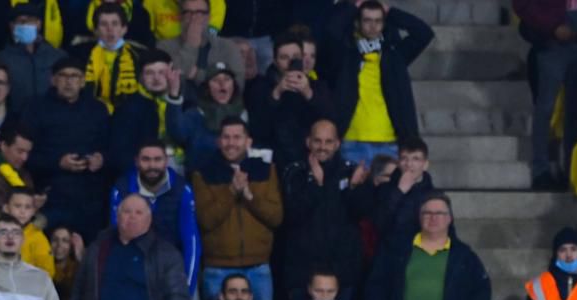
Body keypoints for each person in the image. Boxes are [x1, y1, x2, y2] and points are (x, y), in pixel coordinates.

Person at [191, 116, 283, 300]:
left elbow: (275, 217)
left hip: (259, 268)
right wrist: (232, 192)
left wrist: (249, 196)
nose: (231, 143)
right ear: (218, 140)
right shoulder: (203, 173)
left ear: (248, 141)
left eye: (237, 137)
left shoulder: (266, 170)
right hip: (217, 269)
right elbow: (205, 220)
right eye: (226, 137)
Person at [326, 0, 434, 166]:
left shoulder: (394, 55)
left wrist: (390, 11)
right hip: (351, 141)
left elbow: (423, 33)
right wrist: (355, 6)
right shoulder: (346, 54)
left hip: (389, 143)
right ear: (357, 22)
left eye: (378, 21)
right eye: (367, 20)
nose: (372, 26)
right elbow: (331, 32)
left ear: (384, 23)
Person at [513, 0, 577, 189]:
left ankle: (571, 171)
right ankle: (541, 171)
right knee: (545, 110)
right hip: (551, 46)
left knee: (575, 113)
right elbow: (522, 5)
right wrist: (553, 26)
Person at [22, 56, 109, 243]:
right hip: (51, 195)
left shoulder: (98, 109)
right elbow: (26, 156)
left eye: (75, 76)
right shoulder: (35, 109)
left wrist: (101, 159)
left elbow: (110, 148)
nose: (69, 81)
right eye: (63, 76)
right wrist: (58, 162)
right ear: (52, 80)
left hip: (90, 198)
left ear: (83, 81)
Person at [280, 118, 370, 297]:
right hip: (303, 270)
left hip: (343, 269)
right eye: (317, 141)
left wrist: (354, 188)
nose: (323, 146)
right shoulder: (294, 172)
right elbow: (293, 215)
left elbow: (360, 214)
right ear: (308, 142)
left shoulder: (351, 172)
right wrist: (316, 184)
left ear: (337, 144)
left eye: (328, 141)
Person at [109, 139, 200, 296]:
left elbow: (191, 240)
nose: (152, 165)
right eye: (146, 159)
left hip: (174, 270)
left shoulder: (182, 189)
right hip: (135, 271)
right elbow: (117, 236)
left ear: (166, 161)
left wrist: (186, 288)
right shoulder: (122, 189)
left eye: (157, 159)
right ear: (137, 161)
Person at [244, 32, 333, 172]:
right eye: (284, 57)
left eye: (296, 57)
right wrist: (276, 93)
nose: (291, 62)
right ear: (275, 61)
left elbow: (329, 121)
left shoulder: (318, 87)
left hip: (308, 159)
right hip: (273, 160)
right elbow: (257, 129)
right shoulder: (260, 87)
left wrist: (308, 93)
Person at [108, 49, 184, 175]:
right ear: (141, 77)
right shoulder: (128, 108)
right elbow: (119, 154)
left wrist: (174, 97)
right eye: (149, 73)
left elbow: (183, 137)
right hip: (142, 173)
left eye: (162, 72)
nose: (156, 78)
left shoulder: (183, 102)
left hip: (178, 166)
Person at [165, 63, 247, 174]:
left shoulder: (243, 114)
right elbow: (177, 133)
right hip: (200, 179)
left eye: (227, 79)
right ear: (207, 87)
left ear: (233, 85)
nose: (222, 84)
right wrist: (174, 94)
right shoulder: (195, 113)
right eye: (215, 80)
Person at [0, 2, 68, 114]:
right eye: (20, 21)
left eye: (30, 20)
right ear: (12, 26)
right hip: (17, 123)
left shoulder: (57, 57)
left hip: (53, 121)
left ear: (39, 24)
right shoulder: (1, 59)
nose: (25, 24)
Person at [73, 2, 145, 113]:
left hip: (129, 114)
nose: (109, 29)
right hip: (90, 113)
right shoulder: (80, 54)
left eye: (115, 24)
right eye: (103, 24)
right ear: (96, 30)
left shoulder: (139, 55)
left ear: (124, 29)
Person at [158, 0, 244, 87]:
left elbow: (238, 85)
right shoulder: (165, 47)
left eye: (200, 12)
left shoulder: (227, 46)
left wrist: (197, 74)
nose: (194, 18)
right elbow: (167, 84)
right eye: (188, 12)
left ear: (209, 17)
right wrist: (191, 45)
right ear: (180, 17)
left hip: (216, 101)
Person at [372, 136, 435, 249]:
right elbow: (380, 224)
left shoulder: (435, 196)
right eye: (404, 158)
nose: (409, 164)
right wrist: (399, 192)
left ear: (425, 164)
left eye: (415, 159)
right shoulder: (384, 190)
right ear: (399, 163)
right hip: (392, 255)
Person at [0, 188, 54, 276]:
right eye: (17, 206)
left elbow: (48, 273)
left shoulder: (38, 238)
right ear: (6, 208)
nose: (22, 211)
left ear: (33, 211)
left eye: (27, 207)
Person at [48, 225, 83, 300]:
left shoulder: (77, 270)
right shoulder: (42, 269)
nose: (59, 245)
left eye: (65, 241)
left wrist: (81, 258)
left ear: (71, 246)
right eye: (55, 240)